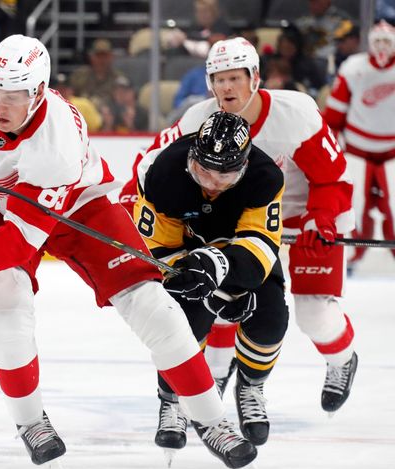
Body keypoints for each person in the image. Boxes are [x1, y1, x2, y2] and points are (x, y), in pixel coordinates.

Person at [0, 34, 259, 469]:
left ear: (39, 91)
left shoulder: (57, 139)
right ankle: (30, 422)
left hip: (81, 204)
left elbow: (22, 239)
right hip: (1, 200)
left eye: (14, 95)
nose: (0, 106)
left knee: (151, 304)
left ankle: (213, 421)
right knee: (3, 296)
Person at [119, 37, 358, 417]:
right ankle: (215, 376)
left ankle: (342, 358)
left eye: (234, 77)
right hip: (242, 220)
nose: (226, 87)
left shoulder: (296, 114)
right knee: (221, 293)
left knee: (315, 315)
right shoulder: (198, 119)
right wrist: (130, 199)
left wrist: (322, 217)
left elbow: (333, 179)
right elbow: (153, 164)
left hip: (305, 216)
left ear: (255, 78)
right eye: (218, 78)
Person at [135, 111, 288, 457]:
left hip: (240, 260)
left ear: (244, 166)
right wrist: (191, 276)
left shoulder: (265, 178)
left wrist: (222, 275)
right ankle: (171, 397)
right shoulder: (164, 172)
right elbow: (156, 250)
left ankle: (250, 384)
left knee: (270, 318)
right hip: (187, 258)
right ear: (192, 156)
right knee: (179, 322)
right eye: (203, 170)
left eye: (225, 174)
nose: (211, 183)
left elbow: (259, 247)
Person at [324, 20, 395, 268]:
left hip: (392, 151)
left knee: (394, 203)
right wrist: (334, 146)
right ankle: (352, 256)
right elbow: (334, 113)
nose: (382, 47)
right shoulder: (353, 67)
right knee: (354, 204)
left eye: (388, 42)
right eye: (378, 42)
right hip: (356, 150)